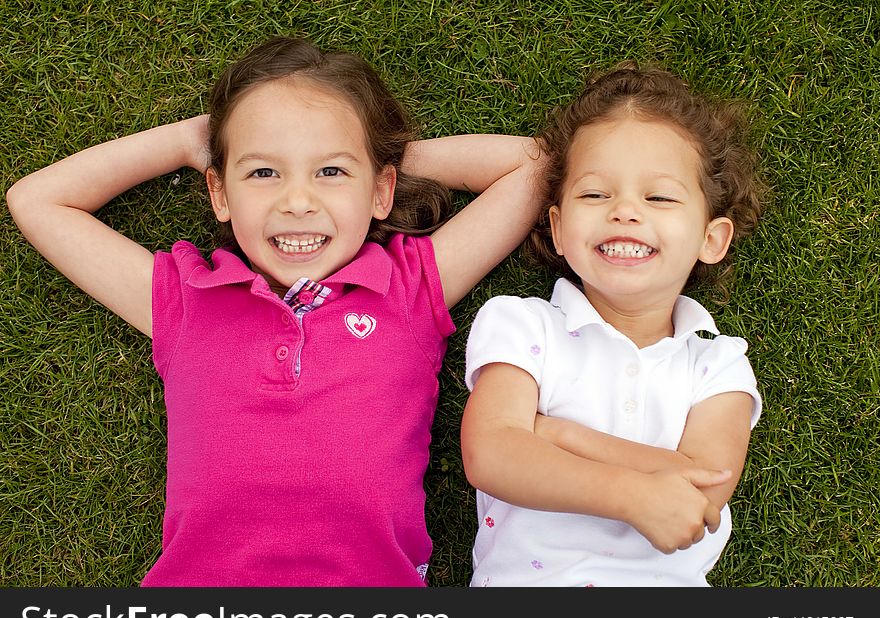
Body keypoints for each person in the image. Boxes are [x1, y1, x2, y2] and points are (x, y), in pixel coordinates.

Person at [6, 36, 544, 586]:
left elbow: (534, 165)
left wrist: (376, 153)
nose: (297, 200)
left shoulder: (407, 289)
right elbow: (38, 201)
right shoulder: (188, 298)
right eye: (263, 173)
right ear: (220, 193)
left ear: (383, 192)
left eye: (330, 173)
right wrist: (188, 142)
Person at [460, 62, 763, 586]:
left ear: (711, 239)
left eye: (660, 197)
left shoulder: (719, 367)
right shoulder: (523, 326)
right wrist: (631, 493)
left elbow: (701, 492)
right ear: (558, 228)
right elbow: (490, 453)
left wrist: (558, 434)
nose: (624, 210)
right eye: (595, 195)